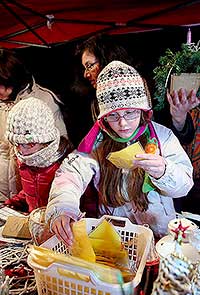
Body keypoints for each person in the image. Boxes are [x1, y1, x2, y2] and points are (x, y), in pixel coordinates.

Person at [45, 61, 193, 245]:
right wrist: (63, 207)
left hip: (159, 234)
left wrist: (164, 171)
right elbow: (71, 174)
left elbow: (184, 185)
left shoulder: (162, 137)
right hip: (113, 236)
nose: (122, 124)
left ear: (143, 111)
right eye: (113, 115)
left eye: (130, 112)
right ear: (103, 117)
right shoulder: (96, 141)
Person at [0, 48, 68, 203]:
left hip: (42, 186)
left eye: (2, 84)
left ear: (13, 78)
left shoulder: (43, 100)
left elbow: (59, 148)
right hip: (11, 190)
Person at [5, 97, 73, 213]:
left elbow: (87, 202)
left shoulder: (68, 163)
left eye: (30, 144)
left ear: (45, 141)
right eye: (16, 143)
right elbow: (31, 190)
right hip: (34, 221)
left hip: (61, 225)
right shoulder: (24, 160)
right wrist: (15, 202)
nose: (22, 151)